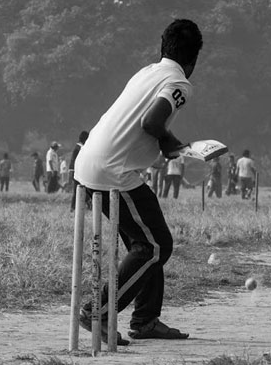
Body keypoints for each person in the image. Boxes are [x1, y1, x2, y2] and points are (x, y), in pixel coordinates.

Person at [73, 18, 202, 345]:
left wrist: (166, 141)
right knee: (156, 246)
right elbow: (151, 121)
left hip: (91, 162)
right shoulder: (180, 82)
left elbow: (146, 121)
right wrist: (169, 140)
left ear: (162, 46)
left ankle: (145, 319)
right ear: (193, 61)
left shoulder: (147, 71)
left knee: (145, 243)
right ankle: (98, 311)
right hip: (112, 171)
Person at [68, 130, 88, 210]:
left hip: (77, 172)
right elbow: (74, 161)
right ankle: (73, 207)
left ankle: (76, 206)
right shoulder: (79, 148)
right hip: (76, 172)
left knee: (79, 190)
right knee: (78, 191)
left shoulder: (79, 147)